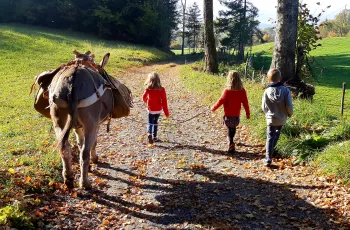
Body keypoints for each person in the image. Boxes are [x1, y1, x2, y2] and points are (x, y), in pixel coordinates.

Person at [211, 71, 250, 153]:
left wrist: (214, 108)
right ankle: (231, 142)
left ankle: (231, 143)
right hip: (236, 115)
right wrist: (247, 113)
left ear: (229, 79)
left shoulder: (227, 91)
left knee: (229, 129)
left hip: (228, 115)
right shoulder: (242, 91)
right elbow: (245, 102)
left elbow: (221, 101)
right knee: (233, 128)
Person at [262, 68, 293, 166]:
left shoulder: (267, 91)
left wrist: (267, 114)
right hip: (282, 118)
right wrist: (289, 113)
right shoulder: (286, 91)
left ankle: (268, 157)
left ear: (268, 79)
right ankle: (271, 150)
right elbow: (289, 105)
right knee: (277, 134)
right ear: (280, 78)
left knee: (270, 136)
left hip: (271, 118)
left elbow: (263, 106)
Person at [142, 72, 169, 144]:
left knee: (150, 122)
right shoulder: (162, 89)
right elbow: (164, 101)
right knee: (156, 122)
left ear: (149, 80)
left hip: (151, 109)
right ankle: (155, 137)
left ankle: (149, 134)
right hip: (158, 110)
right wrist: (166, 113)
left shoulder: (148, 89)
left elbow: (143, 98)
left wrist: (145, 100)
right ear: (158, 80)